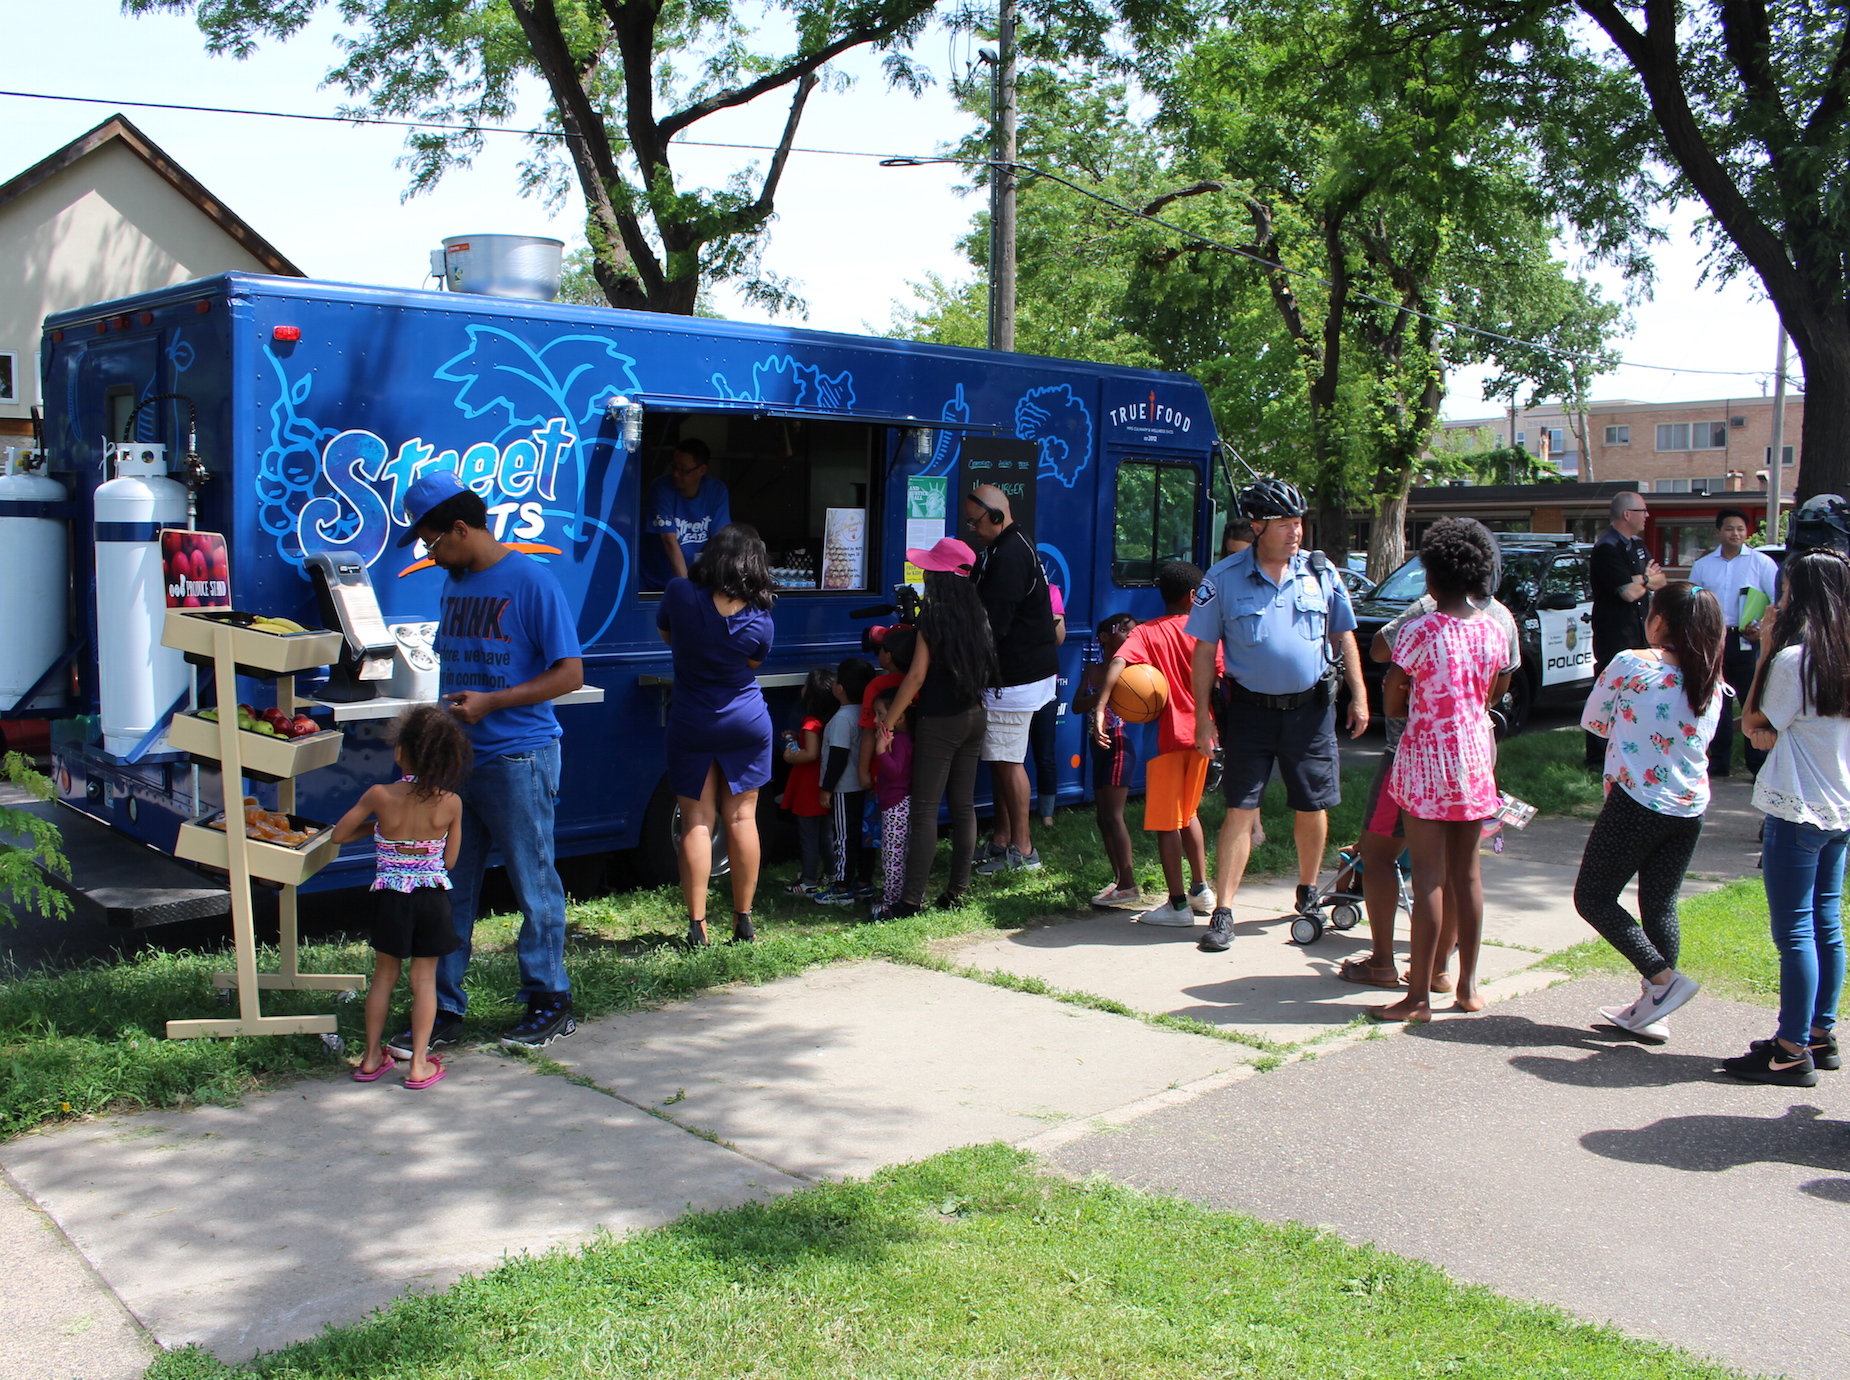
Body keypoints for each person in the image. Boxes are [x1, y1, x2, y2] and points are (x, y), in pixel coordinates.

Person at [386, 471, 583, 1057]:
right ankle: (443, 1008)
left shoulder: (531, 582)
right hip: (456, 764)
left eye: (432, 542)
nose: (429, 554)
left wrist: (492, 703)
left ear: (461, 528)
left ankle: (551, 1000)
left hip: (519, 757)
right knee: (446, 886)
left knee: (533, 883)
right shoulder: (454, 583)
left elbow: (570, 673)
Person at [1187, 477, 1367, 954]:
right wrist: (1204, 718)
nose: (1296, 533)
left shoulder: (1322, 573)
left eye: (1299, 523)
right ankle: (1224, 910)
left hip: (1311, 711)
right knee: (1240, 808)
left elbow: (1344, 635)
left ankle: (1308, 892)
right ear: (1258, 525)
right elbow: (1204, 652)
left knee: (1312, 804)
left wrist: (1360, 696)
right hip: (1249, 712)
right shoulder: (1221, 579)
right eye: (1286, 523)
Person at [1338, 535, 1521, 991]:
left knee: (1398, 864)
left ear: (1434, 577)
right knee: (1468, 874)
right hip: (1477, 759)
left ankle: (1395, 973)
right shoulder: (1498, 625)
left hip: (1418, 760)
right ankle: (1459, 981)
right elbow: (1498, 689)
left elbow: (1390, 682)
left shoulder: (1422, 622)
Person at [1575, 581, 1725, 1039]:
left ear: (1658, 621)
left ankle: (1661, 982)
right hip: (1689, 808)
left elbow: (1594, 722)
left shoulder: (1630, 664)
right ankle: (1655, 1010)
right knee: (1659, 904)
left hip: (1637, 801)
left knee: (1594, 898)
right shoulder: (1713, 681)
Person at [1723, 550, 1850, 1086]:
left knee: (1795, 929)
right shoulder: (1840, 656)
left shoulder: (1798, 659)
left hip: (1797, 806)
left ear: (1799, 594)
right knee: (1826, 922)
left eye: (1785, 589)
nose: (1778, 599)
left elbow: (1754, 720)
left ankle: (1789, 1049)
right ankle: (1818, 1033)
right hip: (1839, 807)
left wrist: (1768, 647)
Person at [333, 705, 470, 1089]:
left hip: (390, 896)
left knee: (384, 976)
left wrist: (379, 827)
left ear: (399, 752)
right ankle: (419, 1064)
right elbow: (450, 860)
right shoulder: (451, 802)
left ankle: (371, 1057)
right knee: (424, 980)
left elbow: (339, 835)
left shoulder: (380, 795)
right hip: (431, 897)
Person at [657, 522, 776, 946]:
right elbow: (751, 667)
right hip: (746, 720)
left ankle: (697, 926)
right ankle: (743, 922)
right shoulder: (761, 618)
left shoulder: (679, 592)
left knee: (696, 821)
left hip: (692, 719)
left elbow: (668, 635)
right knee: (743, 818)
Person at [875, 539, 998, 917]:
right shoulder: (978, 612)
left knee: (926, 809)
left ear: (940, 575)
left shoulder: (933, 616)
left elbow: (915, 677)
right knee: (964, 807)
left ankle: (911, 900)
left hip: (939, 720)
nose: (925, 573)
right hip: (975, 715)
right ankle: (956, 893)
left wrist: (890, 721)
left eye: (930, 568)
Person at [1094, 562, 1221, 926]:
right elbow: (1221, 678)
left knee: (1167, 822)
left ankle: (1178, 905)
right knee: (1188, 814)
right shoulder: (1206, 630)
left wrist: (1102, 705)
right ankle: (1200, 889)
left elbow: (1118, 661)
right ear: (1194, 596)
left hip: (1167, 738)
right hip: (1202, 736)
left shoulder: (1148, 633)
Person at [964, 484, 1058, 873]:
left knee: (1007, 761)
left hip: (1015, 678)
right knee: (1000, 760)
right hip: (1019, 676)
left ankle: (1023, 849)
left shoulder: (1010, 555)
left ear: (998, 517)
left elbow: (993, 625)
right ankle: (1003, 839)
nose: (971, 528)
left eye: (975, 521)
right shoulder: (1010, 545)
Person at [1688, 508, 1780, 778]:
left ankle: (1758, 764)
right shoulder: (1703, 565)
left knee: (1752, 699)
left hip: (1748, 639)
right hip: (1714, 638)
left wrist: (1762, 628)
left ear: (1747, 532)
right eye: (1729, 528)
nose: (1735, 533)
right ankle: (1718, 762)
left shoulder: (1761, 563)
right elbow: (1692, 600)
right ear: (1718, 532)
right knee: (1717, 700)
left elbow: (1777, 602)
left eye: (1740, 529)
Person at [1586, 491, 1666, 768]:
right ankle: (1598, 756)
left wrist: (1642, 579)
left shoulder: (1638, 545)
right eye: (1643, 510)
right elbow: (1630, 592)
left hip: (1640, 629)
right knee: (1611, 690)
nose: (1647, 516)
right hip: (1615, 633)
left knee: (1640, 690)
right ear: (1627, 514)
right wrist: (1645, 577)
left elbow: (1661, 580)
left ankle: (1632, 747)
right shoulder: (1607, 548)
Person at [1073, 612, 1139, 906]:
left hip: (1119, 745)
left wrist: (1110, 694)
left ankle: (1129, 883)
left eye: (1132, 631)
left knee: (1114, 816)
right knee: (1102, 819)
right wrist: (1103, 694)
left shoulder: (1130, 671)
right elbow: (1076, 705)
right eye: (1123, 630)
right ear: (1103, 636)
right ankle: (1118, 880)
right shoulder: (1092, 669)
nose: (1129, 635)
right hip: (1096, 746)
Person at [818, 657, 875, 904]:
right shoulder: (865, 713)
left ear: (839, 688)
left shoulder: (841, 718)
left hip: (844, 788)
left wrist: (827, 789)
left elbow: (838, 757)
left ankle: (841, 887)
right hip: (864, 786)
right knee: (864, 836)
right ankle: (863, 882)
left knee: (843, 837)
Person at [643, 438, 731, 589]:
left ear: (701, 470)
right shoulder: (661, 488)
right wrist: (686, 588)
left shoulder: (716, 490)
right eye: (674, 467)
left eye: (683, 470)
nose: (676, 474)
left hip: (696, 580)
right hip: (655, 581)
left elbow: (721, 538)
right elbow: (669, 539)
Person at [780, 667, 834, 898]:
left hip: (808, 787)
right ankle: (833, 874)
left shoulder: (811, 723)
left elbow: (810, 753)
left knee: (808, 836)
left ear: (810, 695)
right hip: (825, 784)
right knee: (827, 835)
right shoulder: (830, 719)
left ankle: (808, 880)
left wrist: (790, 752)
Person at [1027, 581, 1069, 830]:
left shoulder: (1051, 591)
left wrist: (1047, 619)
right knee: (1013, 757)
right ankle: (1015, 814)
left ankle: (1046, 814)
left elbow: (1059, 638)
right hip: (1015, 682)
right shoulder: (1007, 587)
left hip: (1045, 684)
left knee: (1045, 753)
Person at [870, 689, 914, 910]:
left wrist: (880, 751)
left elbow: (895, 771)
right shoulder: (903, 740)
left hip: (896, 806)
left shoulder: (901, 741)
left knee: (893, 857)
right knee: (895, 854)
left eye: (880, 714)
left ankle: (891, 902)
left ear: (900, 716)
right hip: (895, 804)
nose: (877, 720)